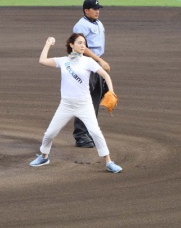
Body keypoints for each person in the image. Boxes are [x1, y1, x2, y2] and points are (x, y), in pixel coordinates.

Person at [29, 33, 122, 174]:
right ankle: (44, 157)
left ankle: (109, 162)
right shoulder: (63, 61)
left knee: (96, 133)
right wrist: (48, 43)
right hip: (66, 105)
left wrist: (111, 92)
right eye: (79, 42)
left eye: (84, 43)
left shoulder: (88, 61)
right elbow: (42, 60)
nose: (83, 45)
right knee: (49, 134)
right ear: (71, 45)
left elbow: (105, 75)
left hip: (84, 105)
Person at [71, 0, 111, 148]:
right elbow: (81, 47)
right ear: (86, 10)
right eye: (94, 9)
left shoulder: (98, 23)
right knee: (84, 100)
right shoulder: (80, 26)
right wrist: (98, 61)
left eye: (98, 8)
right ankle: (80, 135)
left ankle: (88, 131)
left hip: (95, 64)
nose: (97, 11)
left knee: (94, 100)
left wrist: (99, 62)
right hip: (85, 65)